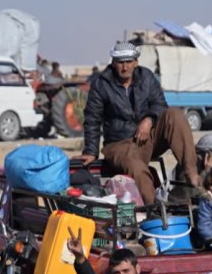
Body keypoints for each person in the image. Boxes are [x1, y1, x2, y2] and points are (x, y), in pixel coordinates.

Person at [79, 41, 200, 204]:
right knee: (138, 169)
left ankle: (191, 174)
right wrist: (90, 150)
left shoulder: (146, 77)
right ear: (113, 63)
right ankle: (154, 211)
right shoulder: (101, 84)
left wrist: (149, 120)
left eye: (129, 62)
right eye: (120, 62)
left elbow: (160, 104)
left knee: (175, 114)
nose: (125, 67)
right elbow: (92, 118)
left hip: (146, 139)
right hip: (119, 145)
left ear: (135, 62)